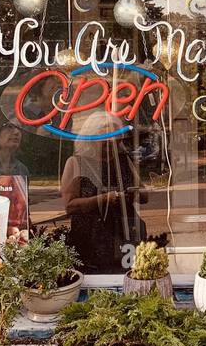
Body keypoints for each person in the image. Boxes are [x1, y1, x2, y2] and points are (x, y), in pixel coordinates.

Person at [60, 109, 149, 273]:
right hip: (90, 237)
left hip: (124, 234)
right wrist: (103, 199)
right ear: (91, 136)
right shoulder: (76, 162)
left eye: (115, 135)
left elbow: (144, 196)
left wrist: (133, 192)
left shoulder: (123, 161)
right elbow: (70, 206)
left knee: (128, 275)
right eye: (105, 135)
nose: (112, 139)